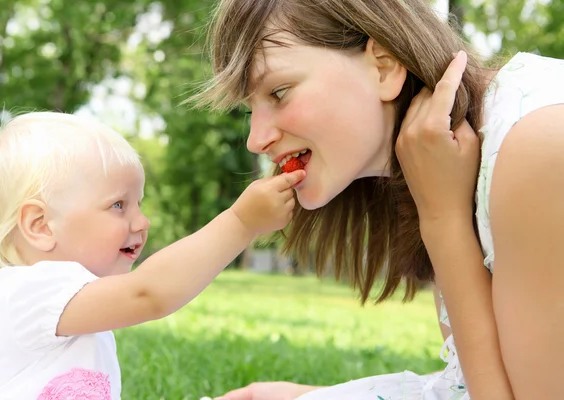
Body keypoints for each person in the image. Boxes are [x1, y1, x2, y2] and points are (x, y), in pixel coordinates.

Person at [192, 0, 564, 399]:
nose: (256, 138)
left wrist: (443, 220)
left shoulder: (537, 146)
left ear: (383, 65)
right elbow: (478, 379)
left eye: (279, 92)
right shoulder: (441, 163)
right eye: (250, 109)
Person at [0, 111, 305, 399]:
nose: (142, 222)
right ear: (40, 225)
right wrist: (240, 222)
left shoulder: (65, 307)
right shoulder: (22, 293)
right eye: (118, 205)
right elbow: (150, 292)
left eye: (138, 203)